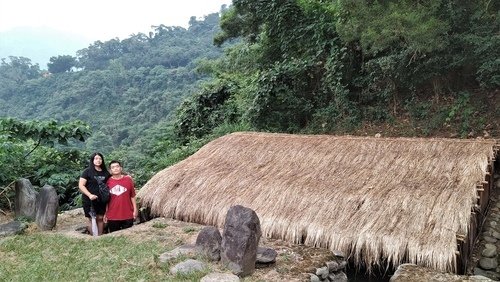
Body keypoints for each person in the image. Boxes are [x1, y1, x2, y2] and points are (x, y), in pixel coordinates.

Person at [79, 152, 111, 236]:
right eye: (96, 158)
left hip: (101, 199)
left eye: (100, 159)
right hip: (89, 199)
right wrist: (89, 195)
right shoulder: (87, 171)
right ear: (92, 160)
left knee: (100, 218)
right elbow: (81, 185)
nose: (98, 160)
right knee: (91, 218)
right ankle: (93, 236)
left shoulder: (106, 173)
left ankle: (99, 236)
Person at [104, 160, 138, 233]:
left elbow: (132, 196)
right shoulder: (107, 182)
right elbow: (106, 199)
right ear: (110, 170)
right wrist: (105, 213)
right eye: (113, 167)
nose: (115, 168)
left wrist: (135, 209)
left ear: (121, 168)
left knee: (128, 237)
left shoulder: (128, 179)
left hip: (128, 214)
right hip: (112, 215)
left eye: (117, 166)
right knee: (115, 238)